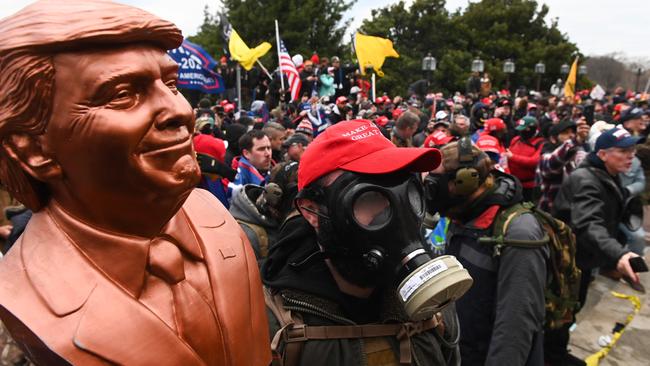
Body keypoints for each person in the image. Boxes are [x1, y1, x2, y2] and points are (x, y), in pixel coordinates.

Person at [0, 1, 270, 365]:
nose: (180, 111)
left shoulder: (215, 217)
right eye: (124, 95)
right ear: (33, 148)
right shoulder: (19, 293)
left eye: (171, 84)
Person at [262, 120, 470, 366]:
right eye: (369, 197)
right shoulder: (269, 321)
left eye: (406, 193)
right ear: (312, 212)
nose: (394, 214)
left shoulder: (434, 309)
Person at [426, 137, 547, 366]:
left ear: (465, 182)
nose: (431, 189)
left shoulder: (519, 232)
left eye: (437, 182)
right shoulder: (462, 214)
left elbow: (515, 326)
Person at [551, 127, 644, 365]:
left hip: (583, 259)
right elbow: (589, 224)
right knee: (563, 311)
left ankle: (556, 351)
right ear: (602, 154)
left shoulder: (607, 174)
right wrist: (619, 255)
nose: (631, 155)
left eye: (632, 149)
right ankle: (553, 355)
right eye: (623, 151)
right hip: (568, 262)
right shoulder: (585, 179)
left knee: (572, 307)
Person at [536, 119, 589, 213]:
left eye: (573, 132)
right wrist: (575, 141)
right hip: (551, 215)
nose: (571, 135)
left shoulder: (578, 153)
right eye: (565, 133)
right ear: (553, 139)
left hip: (573, 213)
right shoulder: (545, 157)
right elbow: (553, 162)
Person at [508, 116, 545, 202]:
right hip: (514, 183)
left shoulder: (540, 143)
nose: (522, 132)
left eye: (525, 130)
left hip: (530, 187)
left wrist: (513, 157)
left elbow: (534, 162)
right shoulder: (516, 140)